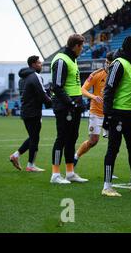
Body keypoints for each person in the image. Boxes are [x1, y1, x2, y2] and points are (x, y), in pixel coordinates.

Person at [101, 36, 131, 197]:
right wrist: (107, 115)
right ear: (130, 47)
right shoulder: (118, 64)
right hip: (118, 114)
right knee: (113, 149)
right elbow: (108, 90)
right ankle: (107, 186)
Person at [50, 34, 88, 184]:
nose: (82, 49)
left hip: (73, 105)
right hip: (64, 106)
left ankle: (70, 172)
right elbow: (57, 87)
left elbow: (72, 84)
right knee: (62, 138)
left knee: (72, 138)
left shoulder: (72, 59)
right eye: (82, 46)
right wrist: (71, 104)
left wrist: (78, 102)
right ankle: (55, 174)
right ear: (76, 46)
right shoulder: (61, 60)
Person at [9, 55, 52, 172]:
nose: (41, 65)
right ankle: (30, 165)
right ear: (33, 64)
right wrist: (54, 102)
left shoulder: (22, 78)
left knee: (33, 137)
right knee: (35, 138)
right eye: (39, 63)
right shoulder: (35, 76)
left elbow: (33, 94)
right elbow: (42, 95)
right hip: (34, 112)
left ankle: (16, 156)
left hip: (25, 112)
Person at [74, 52, 114, 168]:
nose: (107, 65)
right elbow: (83, 90)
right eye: (106, 62)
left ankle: (109, 167)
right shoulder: (96, 74)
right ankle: (75, 156)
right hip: (96, 112)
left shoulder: (118, 75)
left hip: (111, 113)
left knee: (113, 143)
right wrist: (93, 97)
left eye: (110, 63)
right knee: (93, 141)